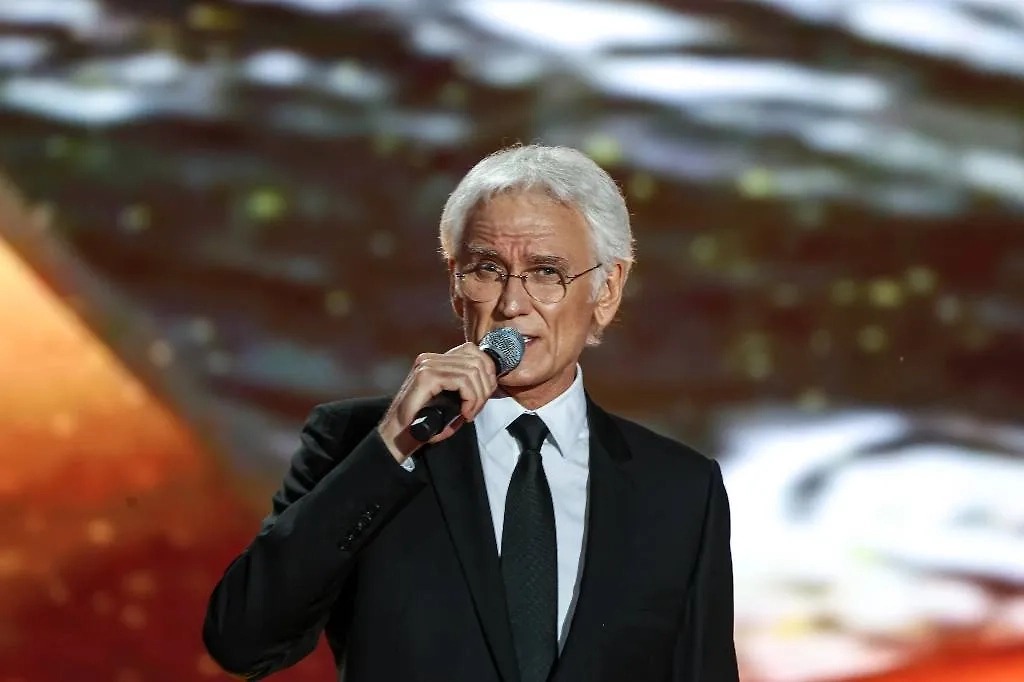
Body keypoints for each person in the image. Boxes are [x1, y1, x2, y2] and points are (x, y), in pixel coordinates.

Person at [202, 144, 739, 682]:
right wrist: (392, 444)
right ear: (456, 286)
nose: (511, 304)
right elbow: (243, 642)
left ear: (608, 289)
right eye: (487, 270)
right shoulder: (358, 445)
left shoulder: (680, 491)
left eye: (545, 272)